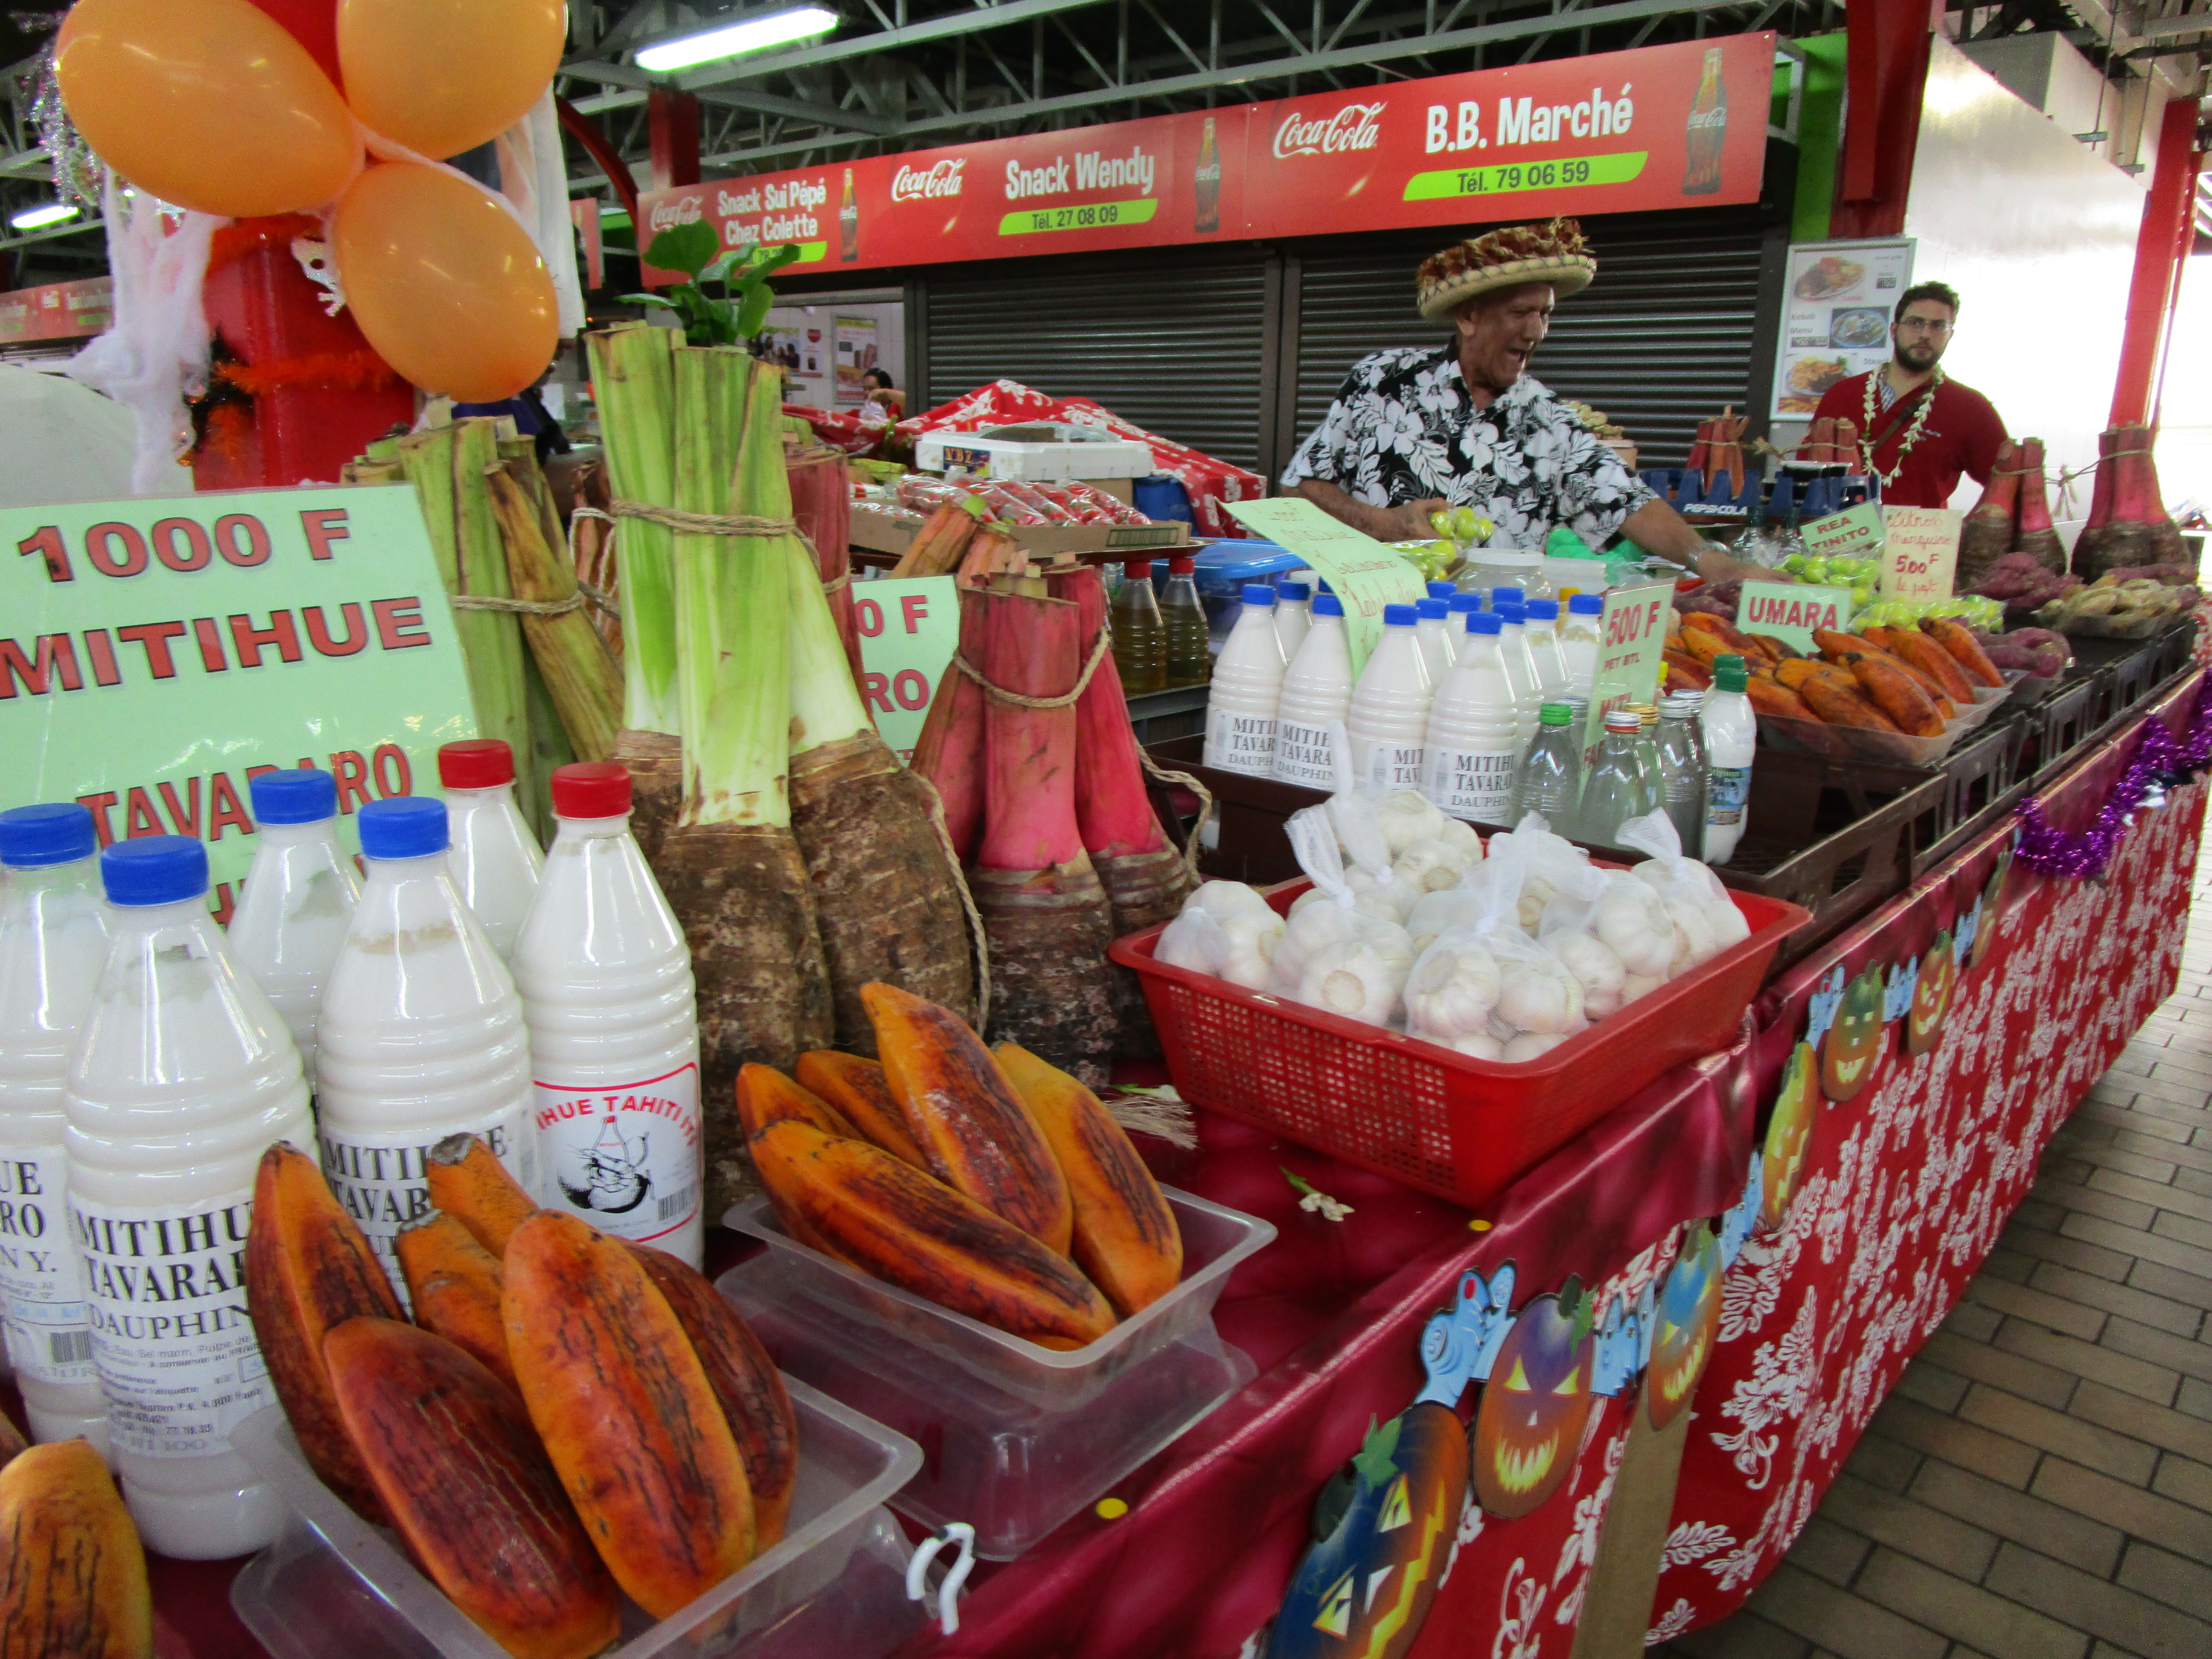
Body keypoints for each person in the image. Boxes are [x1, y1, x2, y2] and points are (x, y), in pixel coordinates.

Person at [1282, 217, 1758, 580]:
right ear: (1469, 317)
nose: (1536, 332)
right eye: (1520, 312)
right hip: (1373, 624)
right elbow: (1299, 488)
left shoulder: (1550, 422)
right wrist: (1383, 524)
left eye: (1545, 314)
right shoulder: (1382, 382)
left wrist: (1712, 561)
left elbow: (1626, 500)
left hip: (1491, 645)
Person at [1808, 281, 2006, 508]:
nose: (1925, 334)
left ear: (1950, 334)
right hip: (1842, 529)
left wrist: (1972, 525)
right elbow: (1806, 475)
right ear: (1894, 330)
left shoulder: (1970, 408)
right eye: (1915, 323)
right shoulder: (1842, 394)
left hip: (1922, 530)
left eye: (1938, 326)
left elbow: (2007, 487)